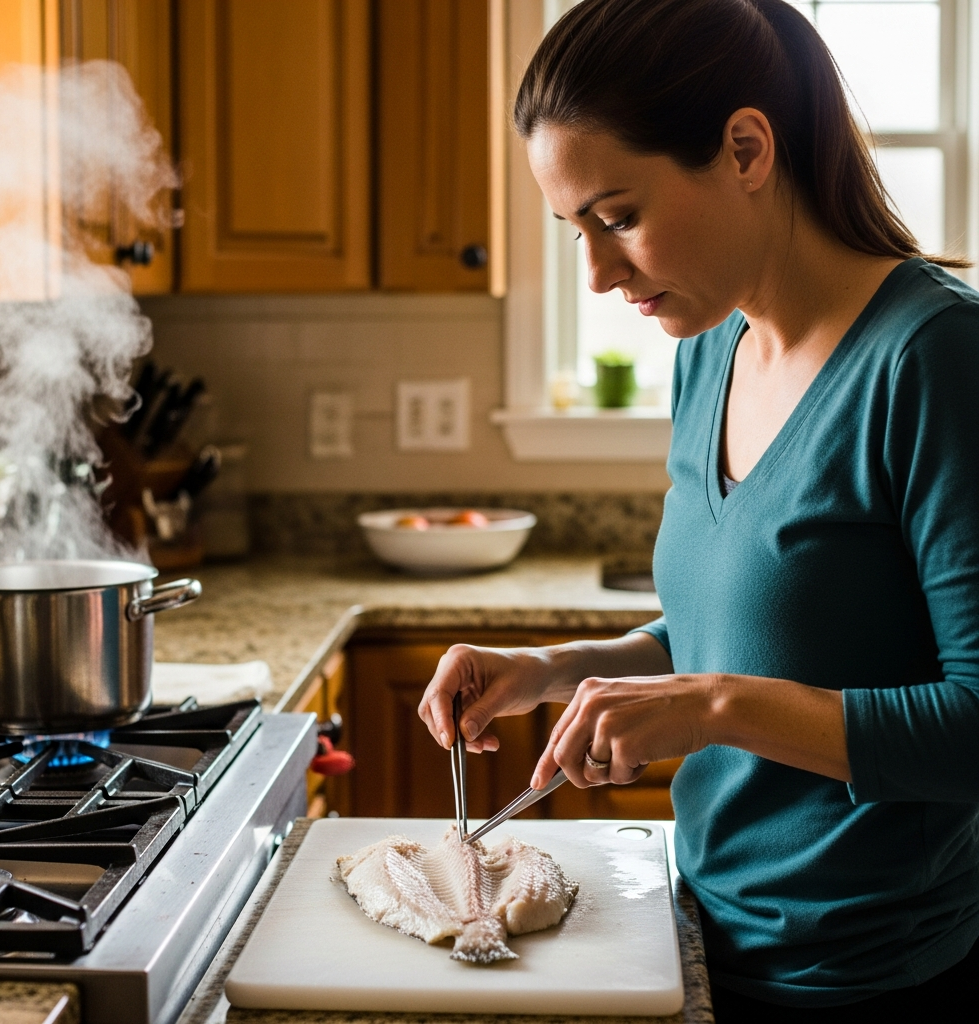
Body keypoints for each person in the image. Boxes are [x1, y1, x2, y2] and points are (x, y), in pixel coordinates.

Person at [416, 1, 979, 1020]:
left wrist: (711, 708)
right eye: (575, 231)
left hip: (864, 976)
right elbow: (737, 633)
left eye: (618, 216)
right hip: (698, 939)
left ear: (746, 149)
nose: (597, 274)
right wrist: (552, 669)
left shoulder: (933, 359)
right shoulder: (708, 349)